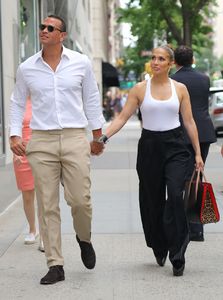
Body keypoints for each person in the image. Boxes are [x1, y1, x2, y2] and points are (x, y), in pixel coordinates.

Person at [9, 15, 105, 285]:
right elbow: (17, 103)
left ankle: (83, 238)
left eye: (51, 28)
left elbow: (91, 98)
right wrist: (14, 134)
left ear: (62, 35)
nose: (44, 31)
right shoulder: (27, 67)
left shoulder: (81, 63)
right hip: (41, 141)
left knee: (80, 200)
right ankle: (55, 263)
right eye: (42, 27)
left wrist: (98, 136)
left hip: (75, 137)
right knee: (47, 204)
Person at [98, 45, 204, 276]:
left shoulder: (180, 88)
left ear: (170, 64)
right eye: (154, 58)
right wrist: (103, 137)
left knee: (175, 195)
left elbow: (189, 122)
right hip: (149, 147)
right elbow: (123, 117)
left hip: (176, 146)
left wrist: (197, 153)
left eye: (161, 59)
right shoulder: (138, 89)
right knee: (152, 199)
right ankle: (159, 244)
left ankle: (178, 253)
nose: (155, 62)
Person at [171, 45, 216, 242]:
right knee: (196, 176)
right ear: (193, 59)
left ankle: (185, 226)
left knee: (182, 178)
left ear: (175, 61)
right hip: (204, 132)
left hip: (181, 133)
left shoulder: (173, 80)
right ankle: (197, 229)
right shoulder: (204, 78)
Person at [13, 98, 44, 252]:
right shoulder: (18, 99)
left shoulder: (44, 97)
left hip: (42, 151)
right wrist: (14, 153)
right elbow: (13, 127)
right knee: (27, 195)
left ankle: (45, 235)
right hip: (21, 152)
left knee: (44, 195)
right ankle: (33, 230)